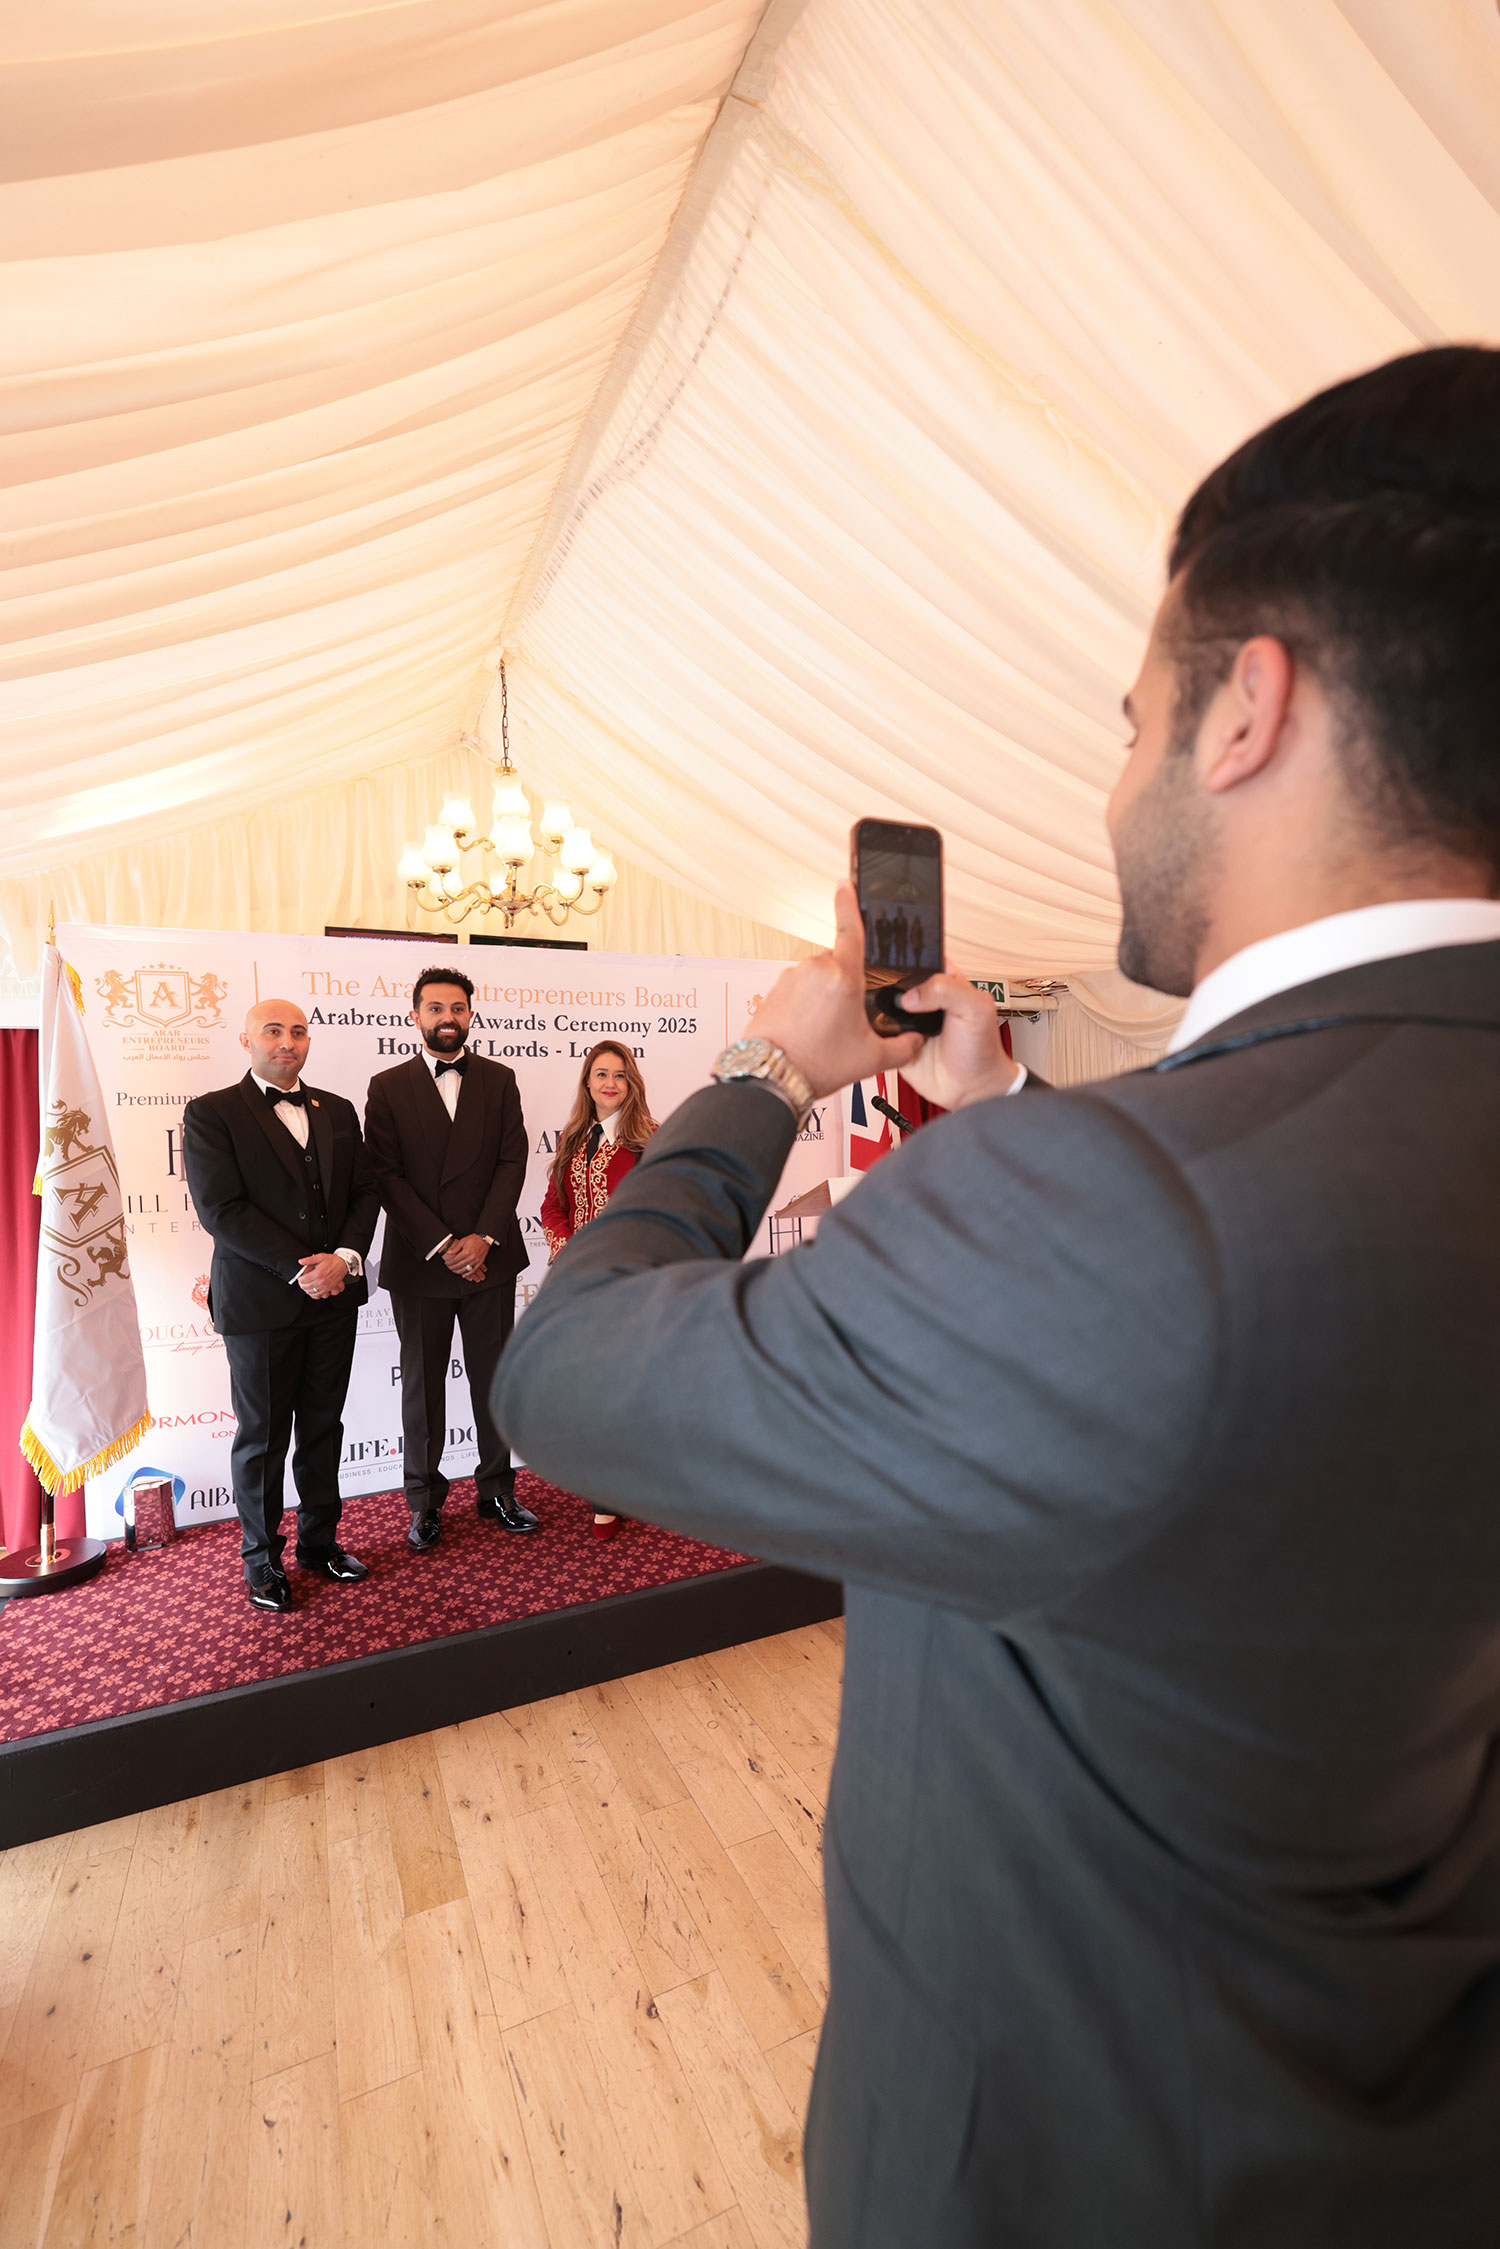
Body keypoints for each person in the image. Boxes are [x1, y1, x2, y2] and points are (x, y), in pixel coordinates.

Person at [498, 345, 1500, 2247]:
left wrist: (771, 1074)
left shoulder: (1114, 1221)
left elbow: (573, 1371)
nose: (1116, 787)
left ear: (1246, 708)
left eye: (1133, 722)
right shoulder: (1164, 1186)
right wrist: (1014, 1117)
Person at [184, 999, 380, 1612]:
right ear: (246, 1040)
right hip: (261, 1303)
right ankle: (261, 1558)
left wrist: (343, 1259)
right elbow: (222, 1210)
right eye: (273, 1031)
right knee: (263, 1437)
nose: (287, 1041)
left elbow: (364, 1193)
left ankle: (320, 1543)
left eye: (298, 1031)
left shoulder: (338, 1110)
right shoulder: (212, 1112)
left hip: (334, 1297)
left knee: (323, 1427)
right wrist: (303, 1269)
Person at [363, 966, 535, 1550]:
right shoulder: (387, 1086)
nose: (447, 1018)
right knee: (422, 1387)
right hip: (421, 1261)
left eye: (457, 1008)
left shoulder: (500, 1079)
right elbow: (386, 1175)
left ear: (471, 1014)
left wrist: (482, 1238)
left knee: (494, 1379)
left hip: (490, 1258)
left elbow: (512, 1162)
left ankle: (497, 1491)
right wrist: (443, 1244)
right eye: (435, 1008)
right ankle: (424, 1503)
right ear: (415, 1016)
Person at [538, 1041, 658, 1538]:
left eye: (620, 1075)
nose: (610, 1083)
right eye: (601, 1074)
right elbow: (552, 1206)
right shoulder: (574, 1139)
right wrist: (566, 1247)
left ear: (632, 1084)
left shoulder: (650, 1140)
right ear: (587, 1082)